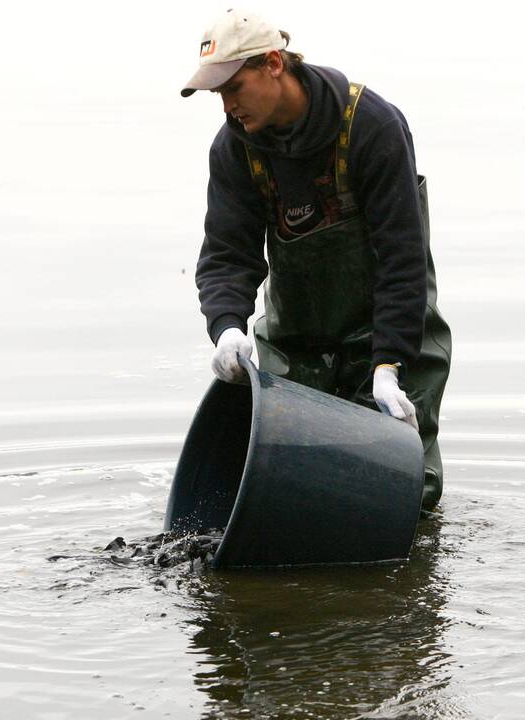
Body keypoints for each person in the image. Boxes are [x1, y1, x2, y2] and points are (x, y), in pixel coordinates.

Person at [181, 8, 452, 511]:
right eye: (217, 94)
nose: (227, 105)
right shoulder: (235, 150)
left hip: (390, 329)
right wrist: (226, 327)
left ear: (274, 63)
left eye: (234, 87)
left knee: (404, 494)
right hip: (296, 340)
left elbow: (402, 259)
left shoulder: (372, 125)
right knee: (292, 492)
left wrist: (389, 364)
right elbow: (226, 255)